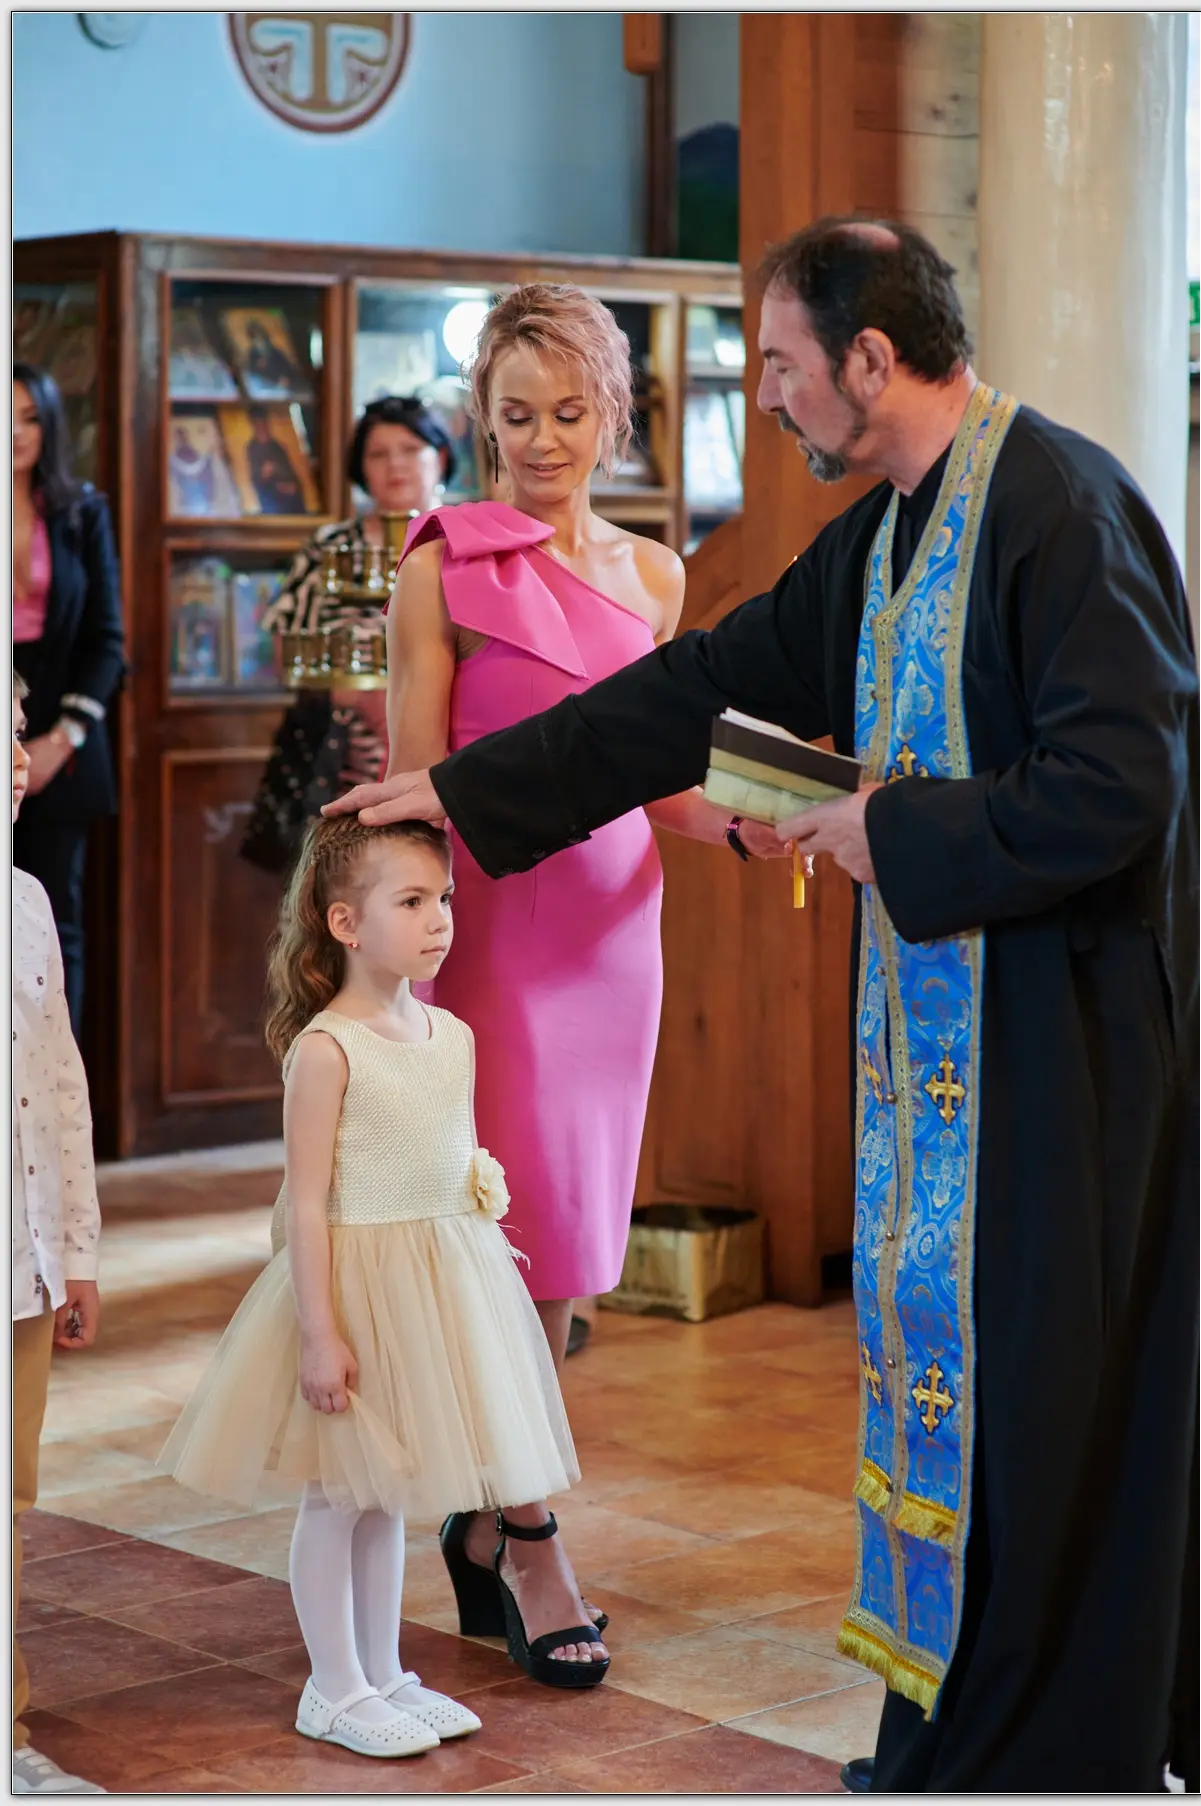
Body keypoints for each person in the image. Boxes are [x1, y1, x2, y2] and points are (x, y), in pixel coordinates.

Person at [325, 218, 1200, 1792]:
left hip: (1066, 1054)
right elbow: (690, 692)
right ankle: (956, 1733)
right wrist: (460, 788)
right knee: (971, 1392)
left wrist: (893, 830)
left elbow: (1127, 782)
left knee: (1048, 1395)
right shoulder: (886, 535)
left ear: (868, 359)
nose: (773, 397)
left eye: (784, 367)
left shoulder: (1060, 506)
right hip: (956, 1059)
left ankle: (1057, 1747)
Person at [380, 282, 786, 1647]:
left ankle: (488, 1518)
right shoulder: (439, 563)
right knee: (507, 1230)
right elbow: (414, 780)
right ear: (480, 419)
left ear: (611, 414)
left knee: (566, 1247)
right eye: (514, 416)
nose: (541, 442)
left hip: (615, 940)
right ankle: (531, 1531)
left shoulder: (655, 575)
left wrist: (750, 821)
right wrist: (396, 965)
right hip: (493, 934)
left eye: (567, 413)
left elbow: (655, 778)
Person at [158, 814, 608, 1755]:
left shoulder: (452, 1035)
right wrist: (319, 1333)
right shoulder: (327, 1050)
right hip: (354, 1294)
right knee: (338, 1497)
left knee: (387, 1495)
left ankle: (383, 1671)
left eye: (444, 897)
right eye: (410, 901)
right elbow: (305, 1206)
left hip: (435, 1291)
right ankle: (332, 1686)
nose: (438, 918)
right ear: (344, 923)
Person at [12, 675, 105, 1797]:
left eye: (16, 731)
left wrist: (75, 1251)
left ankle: (7, 1731)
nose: (17, 756)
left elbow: (62, 1086)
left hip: (23, 1271)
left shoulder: (30, 901)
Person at [241, 396, 454, 876]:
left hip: (450, 758)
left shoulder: (468, 545)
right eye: (378, 454)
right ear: (361, 468)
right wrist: (363, 699)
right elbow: (286, 645)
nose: (395, 464)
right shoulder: (330, 548)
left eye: (409, 449)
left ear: (440, 456)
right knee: (346, 887)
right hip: (343, 759)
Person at [13, 364, 126, 1042]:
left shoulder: (80, 511)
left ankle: (58, 1093)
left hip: (62, 739)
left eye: (30, 417)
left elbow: (107, 641)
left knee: (55, 926)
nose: (15, 432)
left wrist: (60, 740)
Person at [245, 408, 306, 514]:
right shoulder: (252, 449)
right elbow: (256, 481)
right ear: (254, 425)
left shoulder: (277, 447)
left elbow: (291, 474)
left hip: (291, 497)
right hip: (272, 501)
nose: (262, 427)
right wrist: (265, 474)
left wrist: (292, 486)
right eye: (258, 424)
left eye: (263, 423)